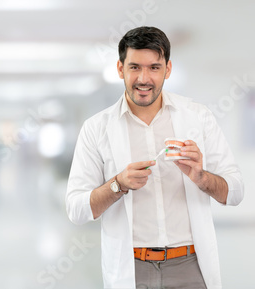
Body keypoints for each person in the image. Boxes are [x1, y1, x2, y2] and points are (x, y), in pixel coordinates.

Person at [65, 26, 244, 289]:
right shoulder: (96, 128)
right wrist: (118, 184)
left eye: (154, 68)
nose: (144, 78)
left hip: (191, 267)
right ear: (120, 68)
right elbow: (76, 209)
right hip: (131, 269)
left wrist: (201, 176)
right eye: (135, 67)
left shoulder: (198, 117)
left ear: (167, 70)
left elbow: (235, 192)